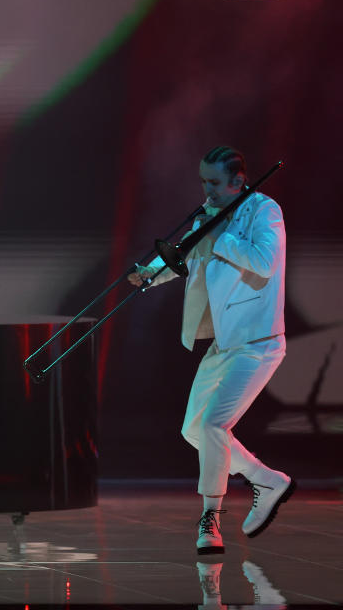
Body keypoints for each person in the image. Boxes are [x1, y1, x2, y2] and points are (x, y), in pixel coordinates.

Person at [129, 146, 294, 555]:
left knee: (214, 426)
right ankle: (267, 479)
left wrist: (220, 235)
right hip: (224, 345)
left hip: (258, 344)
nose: (207, 190)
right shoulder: (210, 217)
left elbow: (265, 262)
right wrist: (148, 274)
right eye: (203, 181)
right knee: (193, 430)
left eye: (215, 183)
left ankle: (210, 520)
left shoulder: (264, 212)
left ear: (238, 180)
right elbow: (184, 256)